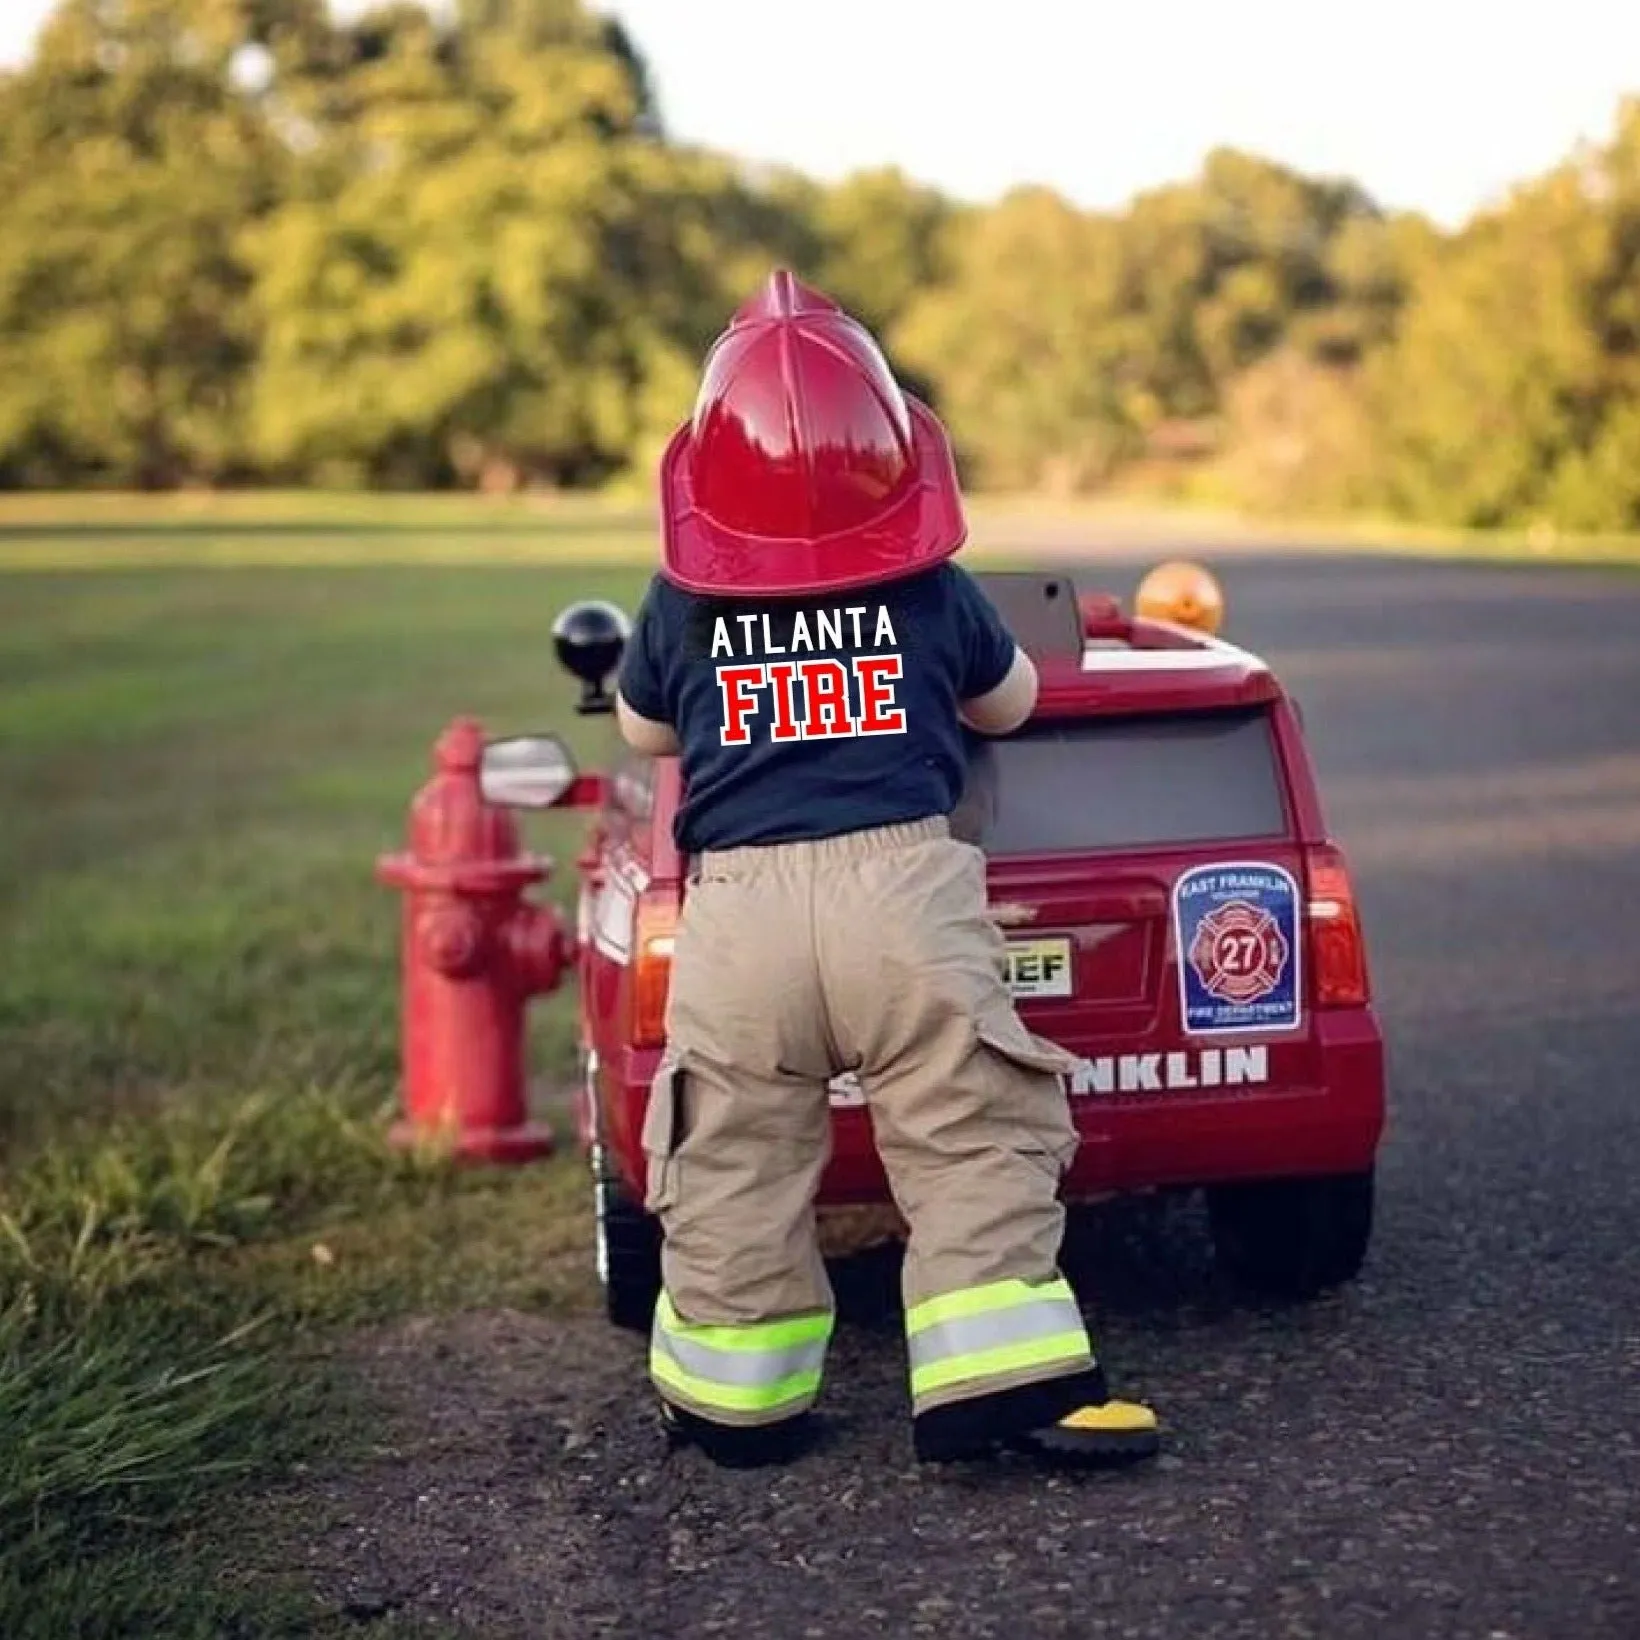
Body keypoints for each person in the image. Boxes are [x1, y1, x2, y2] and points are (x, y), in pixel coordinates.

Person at [613, 269, 1160, 1471]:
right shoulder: (929, 585)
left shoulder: (681, 600)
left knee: (733, 1150)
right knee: (969, 1125)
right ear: (897, 461)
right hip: (901, 895)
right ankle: (997, 1379)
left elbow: (643, 731)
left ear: (705, 478)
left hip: (740, 915)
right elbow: (1006, 702)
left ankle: (732, 1399)